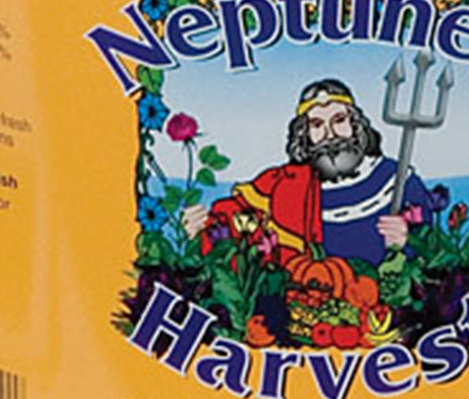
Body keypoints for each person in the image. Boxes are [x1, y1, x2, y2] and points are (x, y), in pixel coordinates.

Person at [182, 78, 436, 266]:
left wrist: (407, 242)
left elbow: (434, 250)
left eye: (339, 121)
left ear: (356, 124)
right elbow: (234, 219)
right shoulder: (287, 186)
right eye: (317, 125)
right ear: (305, 136)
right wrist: (201, 230)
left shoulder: (397, 179)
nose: (330, 134)